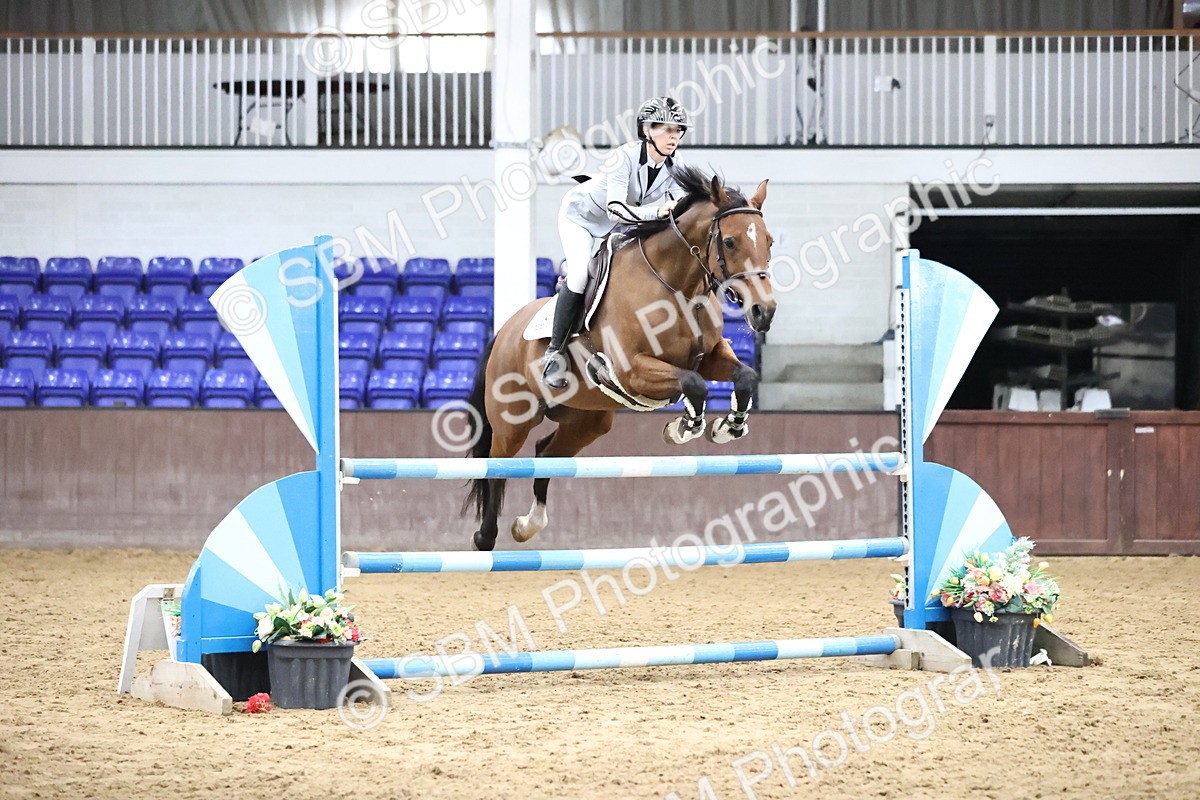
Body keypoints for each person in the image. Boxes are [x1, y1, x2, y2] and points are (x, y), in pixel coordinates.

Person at [541, 96, 690, 390]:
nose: (673, 136)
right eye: (666, 129)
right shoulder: (624, 156)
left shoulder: (677, 164)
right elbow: (615, 208)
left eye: (678, 130)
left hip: (621, 225)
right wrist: (655, 212)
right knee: (582, 274)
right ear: (647, 130)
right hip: (583, 219)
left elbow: (678, 206)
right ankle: (555, 352)